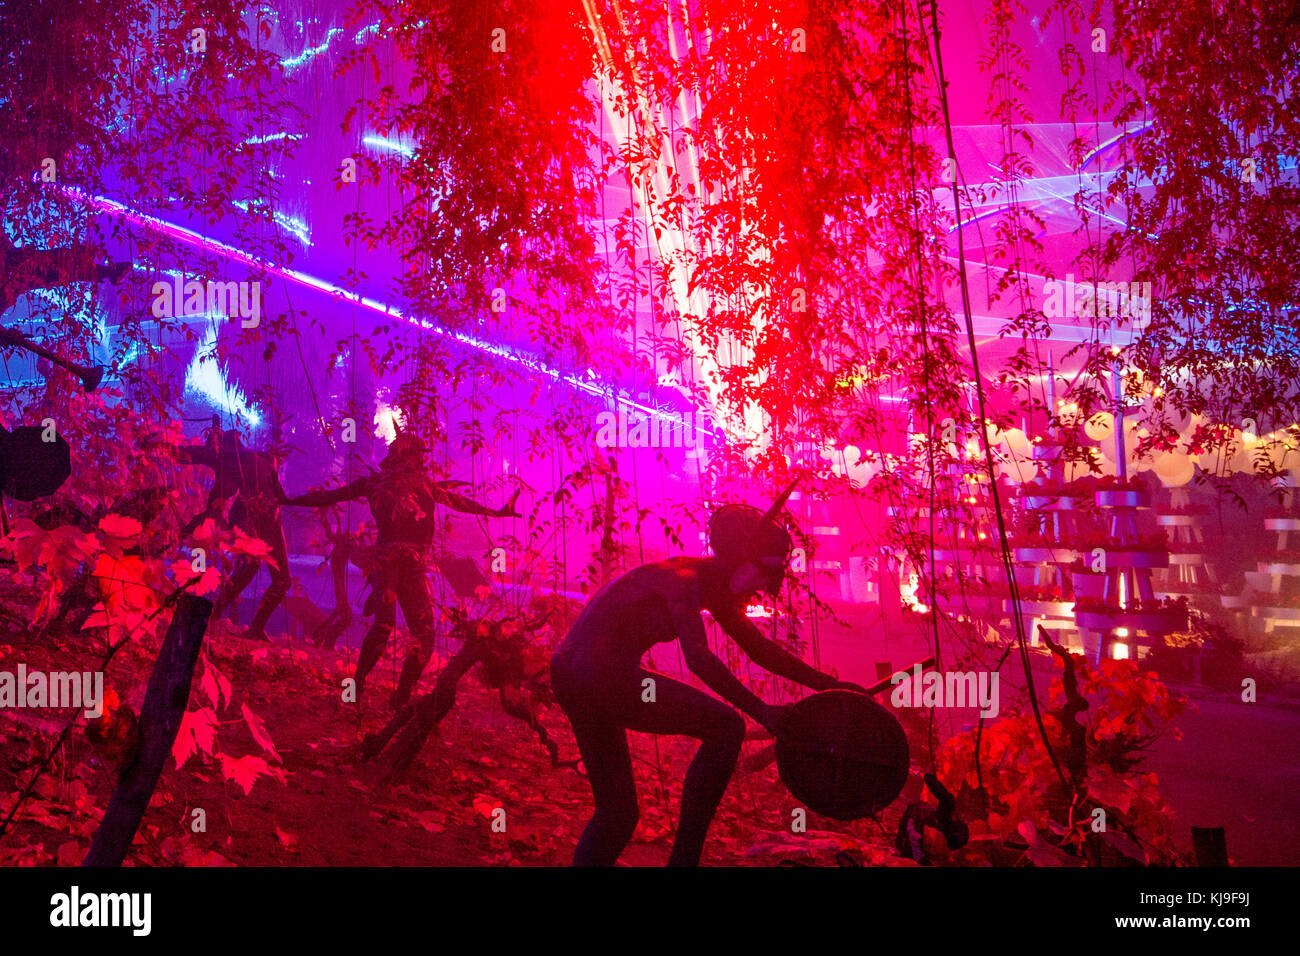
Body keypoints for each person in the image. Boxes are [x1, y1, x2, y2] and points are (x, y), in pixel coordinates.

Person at [549, 489, 864, 867]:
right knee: (726, 727)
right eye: (762, 574)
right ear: (737, 559)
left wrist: (830, 686)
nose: (761, 588)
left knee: (618, 812)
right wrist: (762, 711)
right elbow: (698, 658)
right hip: (597, 676)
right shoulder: (682, 581)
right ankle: (684, 862)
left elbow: (759, 650)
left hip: (573, 674)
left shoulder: (711, 586)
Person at [283, 428, 519, 708]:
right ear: (407, 456)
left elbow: (460, 502)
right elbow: (332, 496)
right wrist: (291, 499)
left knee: (424, 636)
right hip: (388, 565)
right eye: (418, 456)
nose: (421, 461)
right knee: (384, 627)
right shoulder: (378, 485)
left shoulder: (425, 486)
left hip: (412, 568)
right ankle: (357, 687)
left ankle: (400, 696)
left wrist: (497, 512)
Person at [175, 421, 290, 641]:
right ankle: (215, 615)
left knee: (281, 578)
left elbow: (196, 455)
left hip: (269, 516)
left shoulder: (243, 458)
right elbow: (198, 456)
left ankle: (249, 627)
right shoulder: (259, 458)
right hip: (253, 513)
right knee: (255, 564)